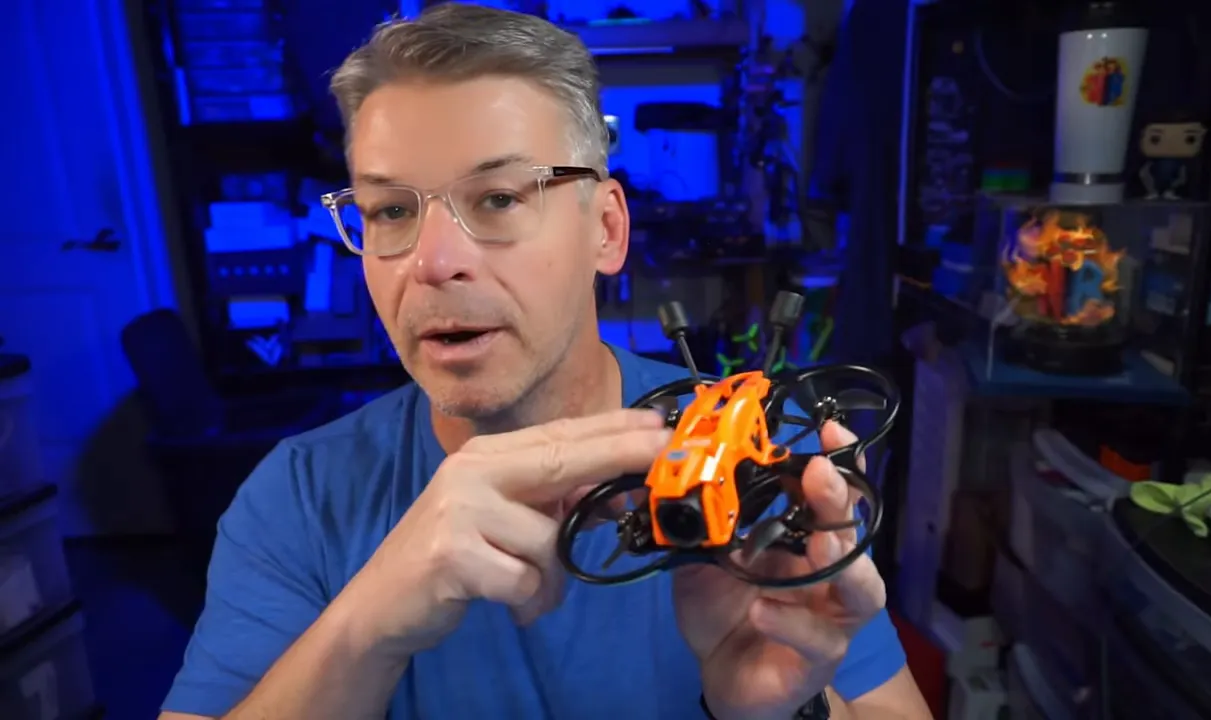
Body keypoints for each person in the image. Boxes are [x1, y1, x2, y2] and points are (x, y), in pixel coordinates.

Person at [159, 4, 931, 719]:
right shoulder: (301, 498)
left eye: (497, 198)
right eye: (391, 210)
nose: (432, 263)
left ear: (606, 229)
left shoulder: (757, 448)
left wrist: (783, 710)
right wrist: (365, 629)